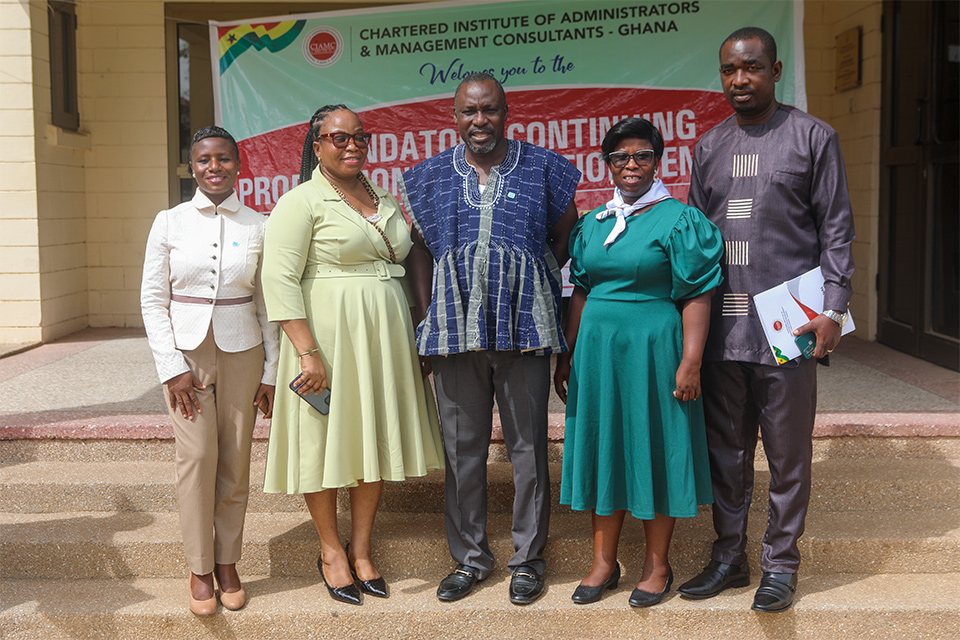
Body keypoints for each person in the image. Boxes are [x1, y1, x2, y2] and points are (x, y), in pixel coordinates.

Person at [677, 27, 855, 613]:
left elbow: (835, 231)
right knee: (725, 453)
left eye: (751, 68)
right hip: (725, 330)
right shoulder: (709, 147)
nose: (739, 80)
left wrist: (833, 308)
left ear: (776, 70)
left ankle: (781, 565)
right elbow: (698, 242)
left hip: (791, 326)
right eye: (729, 70)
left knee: (787, 454)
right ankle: (729, 557)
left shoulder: (812, 137)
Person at [400, 72, 582, 605]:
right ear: (454, 117)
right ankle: (471, 558)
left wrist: (530, 278)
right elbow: (419, 250)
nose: (480, 121)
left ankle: (528, 560)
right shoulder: (430, 176)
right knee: (463, 451)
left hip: (524, 328)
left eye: (490, 110)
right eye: (469, 112)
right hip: (455, 333)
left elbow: (566, 232)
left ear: (507, 113)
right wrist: (429, 313)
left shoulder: (544, 168)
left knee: (528, 448)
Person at [260, 104, 444, 606]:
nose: (351, 145)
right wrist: (306, 351)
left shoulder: (382, 196)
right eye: (338, 138)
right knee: (324, 441)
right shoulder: (300, 202)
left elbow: (408, 261)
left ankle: (361, 549)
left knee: (372, 440)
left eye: (359, 137)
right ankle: (330, 550)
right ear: (316, 145)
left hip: (384, 337)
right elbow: (278, 280)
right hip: (327, 338)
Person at [554, 117, 723, 608]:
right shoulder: (593, 223)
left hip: (655, 348)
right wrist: (567, 355)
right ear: (607, 164)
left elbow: (697, 295)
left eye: (642, 156)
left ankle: (657, 564)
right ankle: (604, 563)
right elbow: (581, 291)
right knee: (604, 446)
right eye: (621, 157)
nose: (631, 165)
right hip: (598, 351)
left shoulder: (679, 220)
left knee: (653, 446)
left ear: (658, 161)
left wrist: (691, 361)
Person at [141, 125, 279, 616]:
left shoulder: (258, 224)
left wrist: (271, 371)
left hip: (244, 352)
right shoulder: (170, 222)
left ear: (238, 166)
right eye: (204, 160)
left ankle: (227, 563)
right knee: (198, 458)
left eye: (223, 159)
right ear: (192, 167)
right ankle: (200, 567)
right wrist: (171, 367)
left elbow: (268, 304)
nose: (214, 167)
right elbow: (153, 301)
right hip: (188, 358)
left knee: (235, 461)